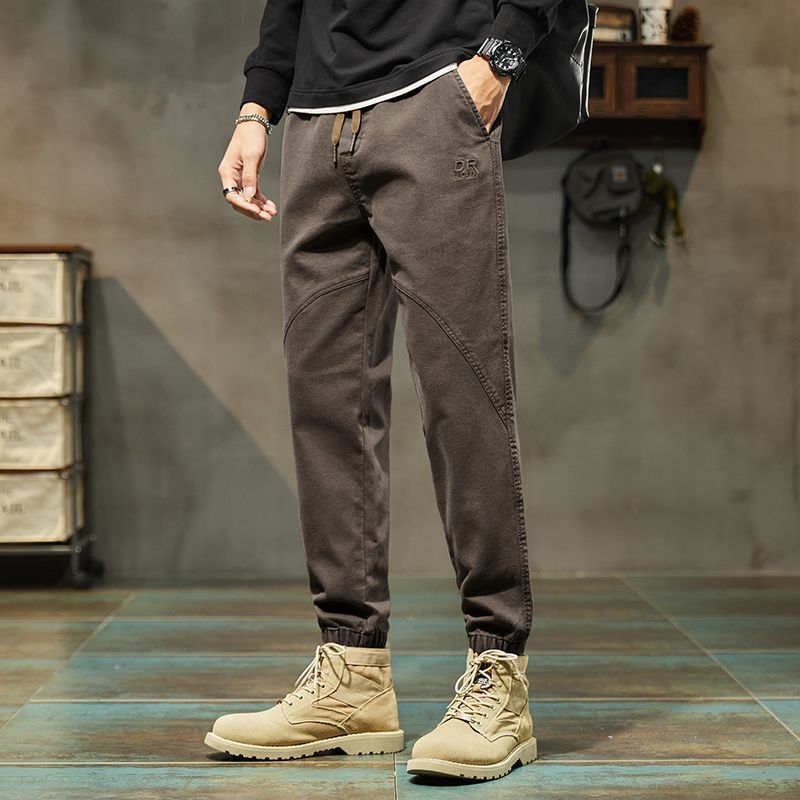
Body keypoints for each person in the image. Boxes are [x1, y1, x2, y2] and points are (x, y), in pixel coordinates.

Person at [205, 0, 563, 782]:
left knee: (462, 395)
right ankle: (352, 673)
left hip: (435, 96)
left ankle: (499, 673)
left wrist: (500, 57)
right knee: (325, 405)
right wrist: (257, 107)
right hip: (313, 122)